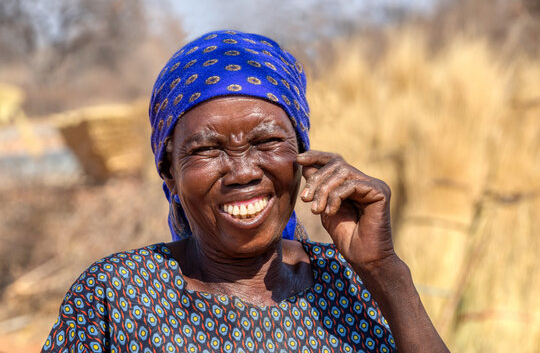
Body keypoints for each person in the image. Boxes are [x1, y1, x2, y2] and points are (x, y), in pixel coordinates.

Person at [42, 30, 448, 352]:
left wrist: (385, 272)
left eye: (267, 142)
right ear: (170, 176)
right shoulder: (118, 295)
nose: (241, 171)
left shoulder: (352, 282)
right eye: (206, 149)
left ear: (304, 157)